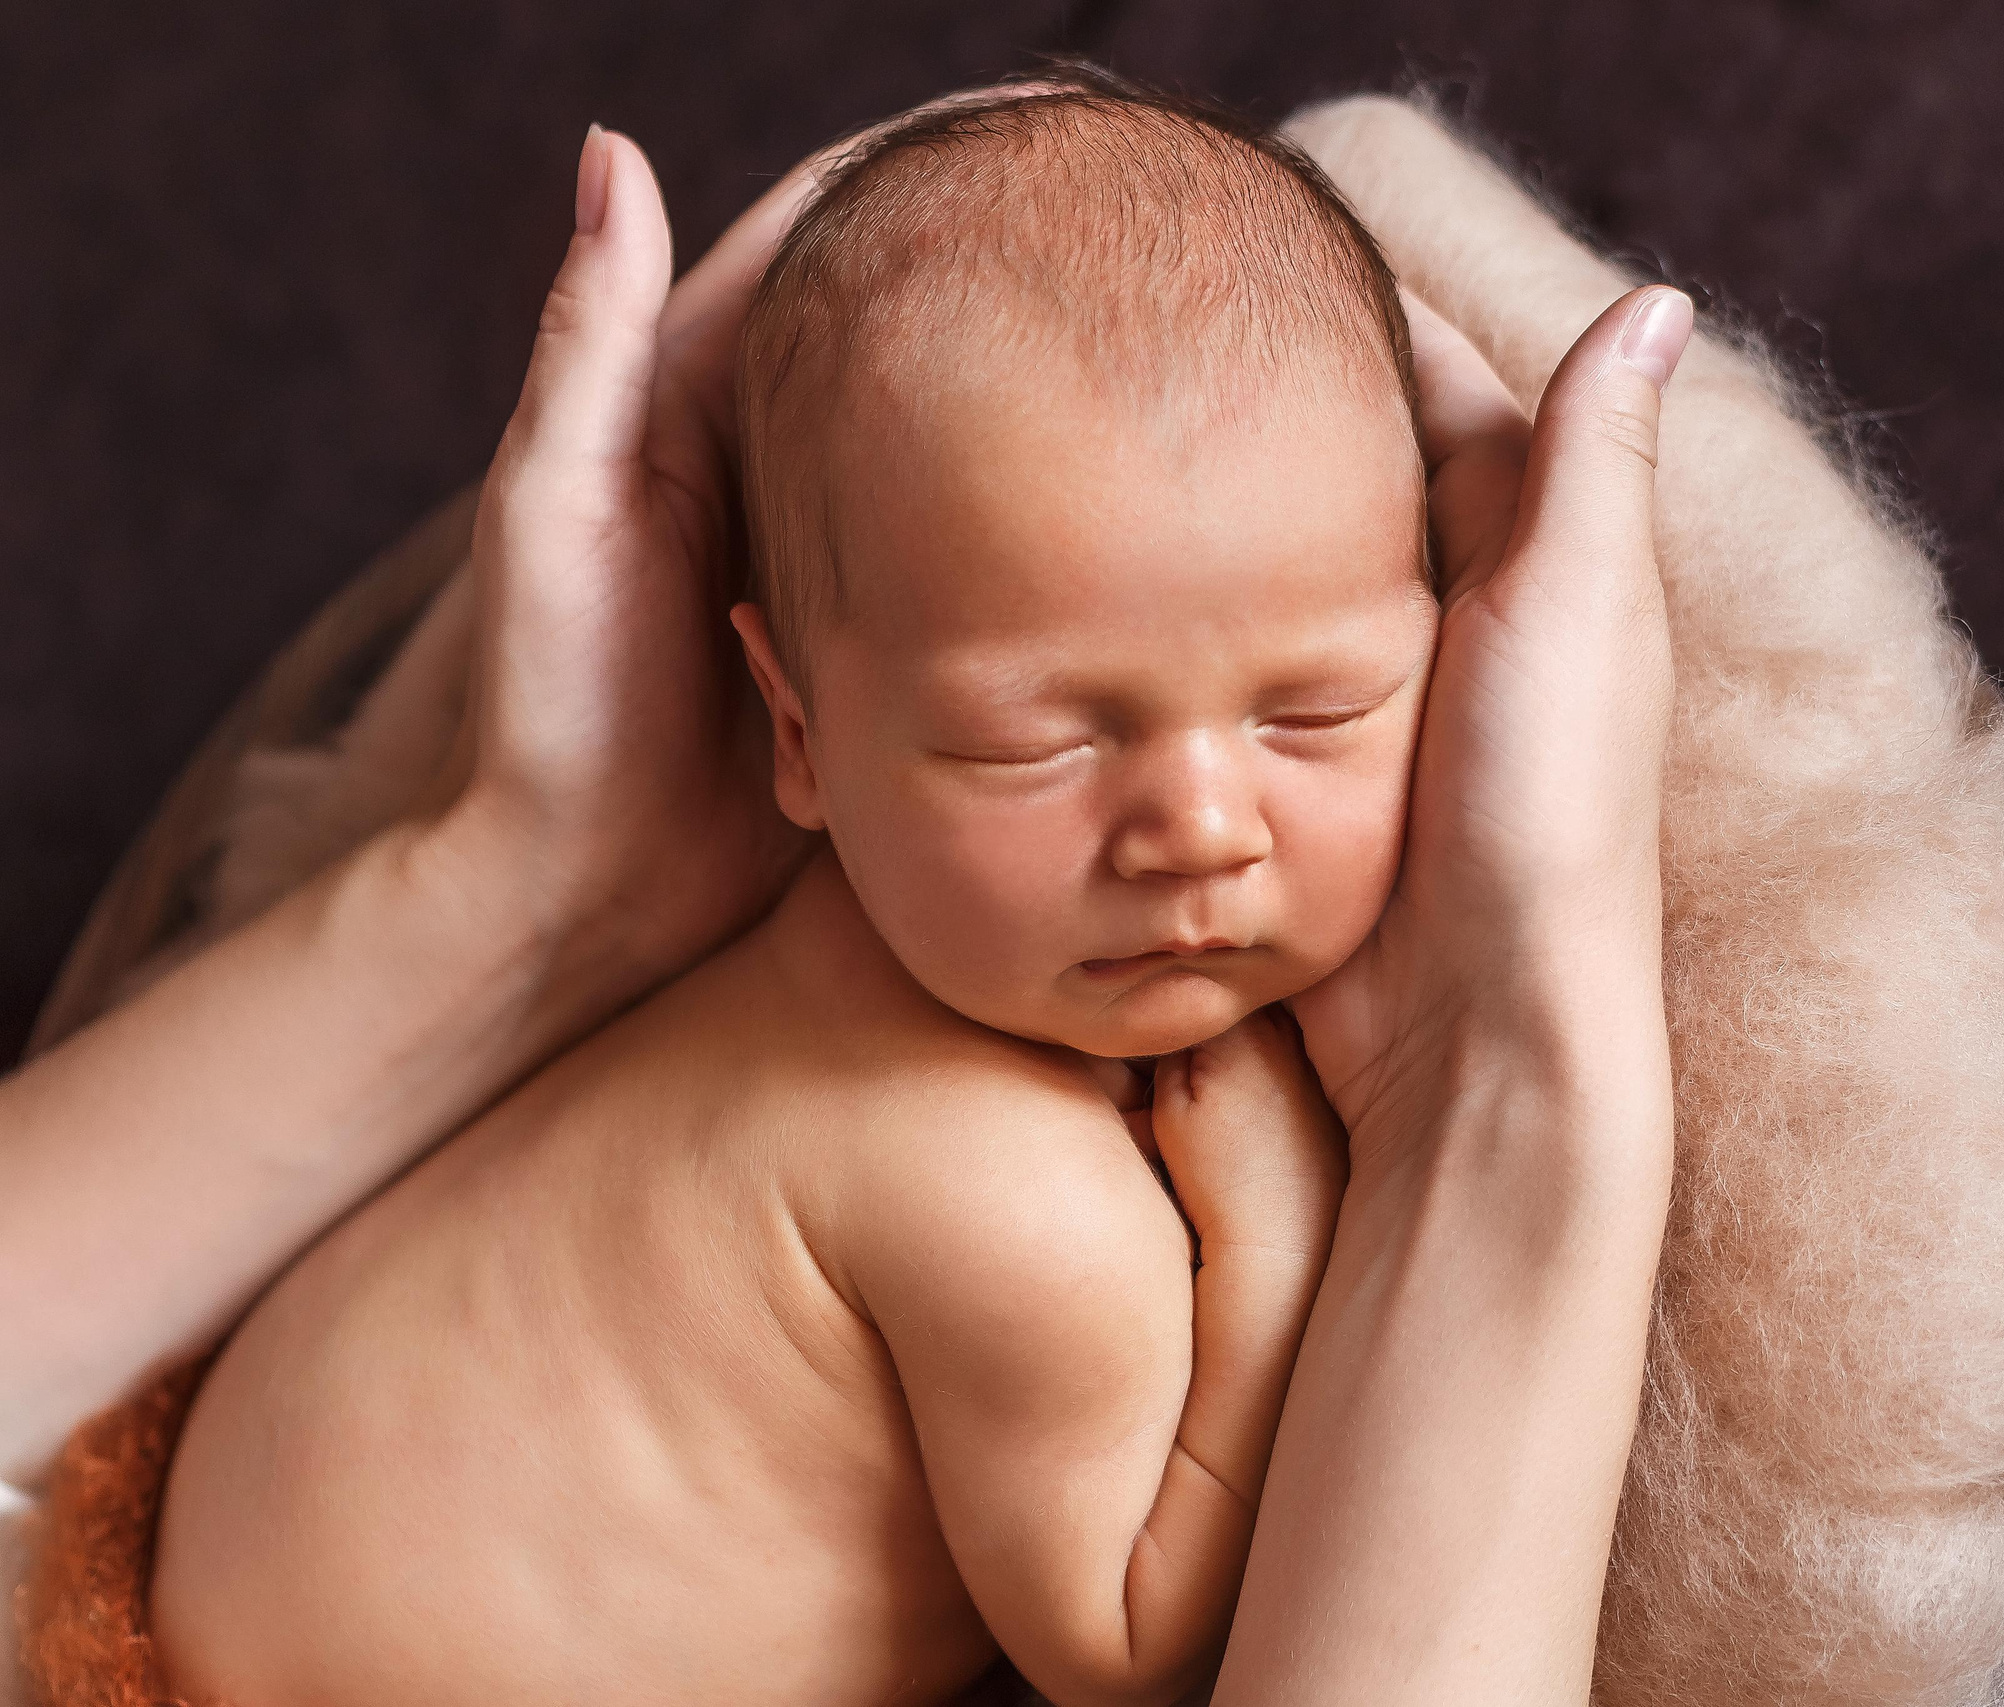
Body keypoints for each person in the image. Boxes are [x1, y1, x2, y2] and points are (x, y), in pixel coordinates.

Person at [0, 86, 1684, 1707]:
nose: (1195, 823)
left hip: (124, 1546)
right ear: (795, 731)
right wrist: (1286, 1242)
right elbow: (1130, 1641)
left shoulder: (798, 942)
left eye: (1313, 712)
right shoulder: (1017, 1205)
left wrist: (538, 878)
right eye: (1035, 745)